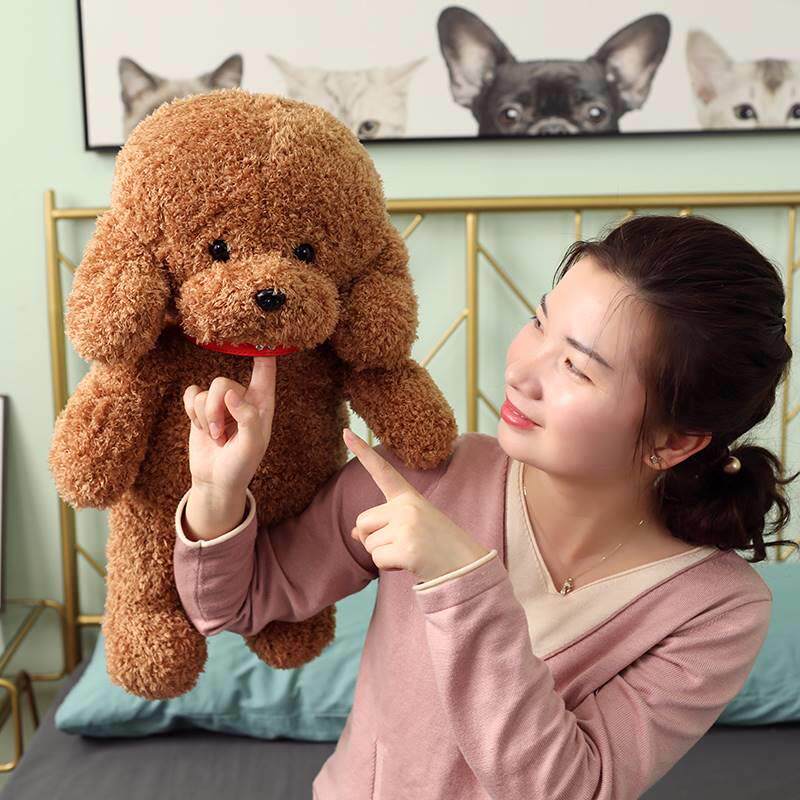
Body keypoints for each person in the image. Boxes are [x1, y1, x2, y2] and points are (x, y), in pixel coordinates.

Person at [173, 214, 798, 800]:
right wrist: (217, 492)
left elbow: (569, 788)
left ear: (674, 442)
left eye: (577, 368)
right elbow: (230, 604)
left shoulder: (717, 609)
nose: (522, 372)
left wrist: (461, 582)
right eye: (539, 323)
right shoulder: (425, 472)